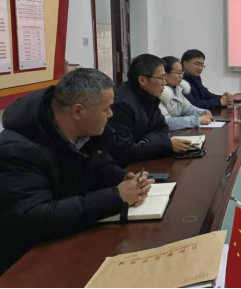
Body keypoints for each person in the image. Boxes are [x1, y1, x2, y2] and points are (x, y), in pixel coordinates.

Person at [0, 69, 154, 274]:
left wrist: (121, 177)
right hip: (26, 261)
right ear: (78, 112)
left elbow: (98, 166)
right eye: (106, 109)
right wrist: (116, 197)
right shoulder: (17, 150)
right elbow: (35, 218)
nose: (111, 114)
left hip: (70, 236)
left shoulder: (85, 131)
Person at [108, 54, 191, 167]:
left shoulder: (148, 95)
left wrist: (146, 142)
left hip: (144, 159)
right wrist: (167, 145)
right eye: (161, 78)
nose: (165, 82)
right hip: (126, 169)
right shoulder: (121, 105)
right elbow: (125, 151)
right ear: (142, 80)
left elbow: (162, 127)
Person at [160, 56, 213, 130]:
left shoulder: (178, 89)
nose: (181, 76)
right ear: (165, 75)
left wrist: (203, 112)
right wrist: (197, 120)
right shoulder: (158, 93)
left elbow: (188, 109)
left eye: (182, 72)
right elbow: (167, 122)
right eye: (178, 73)